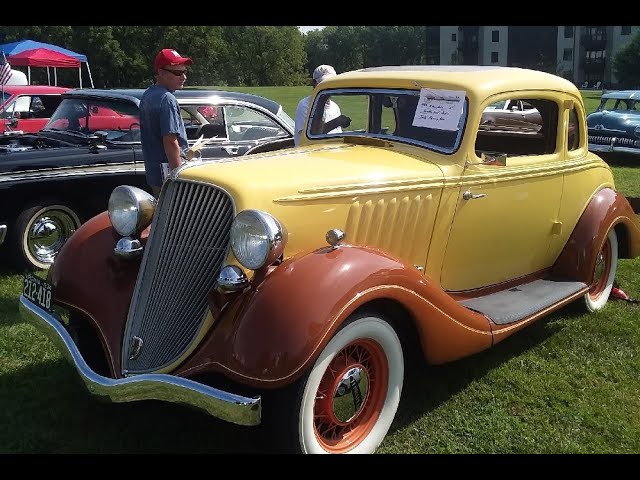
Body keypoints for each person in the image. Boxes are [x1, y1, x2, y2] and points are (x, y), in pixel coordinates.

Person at [139, 48, 193, 197]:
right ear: (161, 72)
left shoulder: (147, 95)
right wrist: (178, 179)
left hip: (154, 174)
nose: (183, 77)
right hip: (168, 175)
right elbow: (170, 142)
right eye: (177, 73)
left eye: (184, 72)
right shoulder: (167, 99)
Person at [294, 64, 347, 146]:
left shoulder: (335, 107)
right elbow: (311, 135)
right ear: (314, 84)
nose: (328, 87)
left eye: (332, 83)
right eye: (324, 84)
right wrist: (337, 122)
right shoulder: (305, 105)